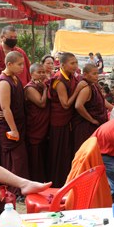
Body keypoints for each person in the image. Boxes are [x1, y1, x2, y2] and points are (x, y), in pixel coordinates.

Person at [48, 52, 87, 187]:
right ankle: (57, 183)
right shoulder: (59, 80)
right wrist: (77, 90)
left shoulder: (71, 77)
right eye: (72, 63)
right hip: (58, 121)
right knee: (59, 153)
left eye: (76, 63)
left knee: (67, 152)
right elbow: (65, 104)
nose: (75, 66)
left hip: (68, 120)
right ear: (62, 65)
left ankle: (68, 180)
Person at [0, 51, 30, 180]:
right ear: (9, 64)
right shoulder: (4, 82)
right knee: (14, 158)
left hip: (18, 123)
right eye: (19, 64)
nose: (22, 68)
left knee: (21, 158)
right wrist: (13, 129)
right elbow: (5, 108)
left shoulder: (14, 77)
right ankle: (14, 189)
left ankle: (21, 187)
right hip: (8, 126)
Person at [73, 63, 113, 152]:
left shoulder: (94, 85)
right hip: (86, 126)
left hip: (94, 125)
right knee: (86, 152)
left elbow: (102, 100)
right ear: (85, 75)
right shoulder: (86, 88)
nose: (96, 76)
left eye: (97, 73)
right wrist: (91, 119)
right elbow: (78, 106)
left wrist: (113, 108)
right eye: (94, 74)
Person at [24, 63, 50, 182]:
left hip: (44, 123)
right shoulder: (30, 88)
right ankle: (35, 179)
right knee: (35, 153)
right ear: (31, 74)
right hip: (35, 125)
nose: (42, 74)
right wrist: (45, 89)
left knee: (43, 152)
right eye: (39, 72)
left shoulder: (43, 85)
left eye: (43, 72)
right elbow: (41, 103)